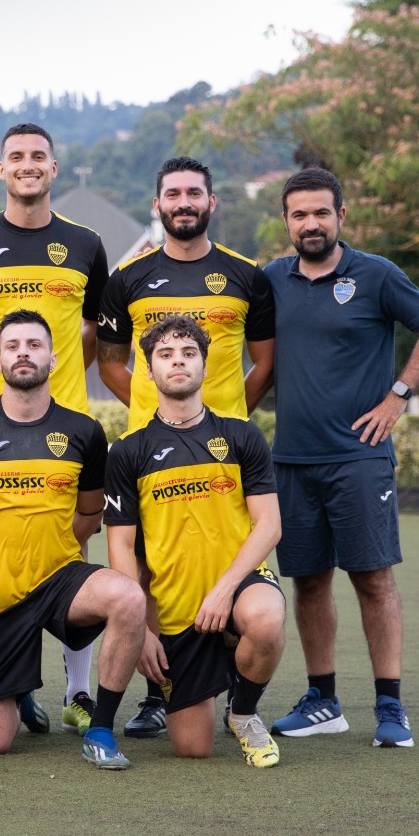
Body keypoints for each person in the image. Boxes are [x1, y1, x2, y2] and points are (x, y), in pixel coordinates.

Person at [262, 167, 419, 749]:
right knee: (309, 581)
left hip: (359, 459)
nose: (311, 224)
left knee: (373, 578)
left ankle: (390, 705)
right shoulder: (270, 280)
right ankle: (323, 701)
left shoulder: (375, 275)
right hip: (292, 460)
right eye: (299, 214)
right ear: (286, 220)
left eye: (321, 212)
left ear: (341, 215)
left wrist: (398, 396)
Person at [95, 155, 276, 739]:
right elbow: (110, 362)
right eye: (172, 194)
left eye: (194, 193)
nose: (184, 203)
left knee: (228, 555)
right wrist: (152, 410)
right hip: (152, 451)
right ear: (157, 205)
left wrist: (231, 418)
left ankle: (235, 680)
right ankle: (160, 692)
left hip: (224, 452)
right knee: (152, 563)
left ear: (211, 202)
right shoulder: (127, 279)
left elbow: (265, 362)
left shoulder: (247, 276)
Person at [0, 123, 110, 734]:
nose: (28, 164)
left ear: (54, 167)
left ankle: (78, 691)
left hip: (63, 423)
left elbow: (94, 334)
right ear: (1, 168)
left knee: (72, 544)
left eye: (39, 156)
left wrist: (52, 382)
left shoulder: (86, 244)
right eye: (16, 156)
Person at [0, 310, 146, 769]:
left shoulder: (83, 430)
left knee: (128, 597)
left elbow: (90, 510)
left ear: (53, 359)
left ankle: (101, 729)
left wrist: (56, 544)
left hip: (60, 580)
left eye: (34, 345)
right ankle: (19, 692)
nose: (23, 353)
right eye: (12, 346)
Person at [104, 316, 285, 766]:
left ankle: (243, 713)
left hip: (237, 585)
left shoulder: (241, 435)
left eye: (188, 354)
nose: (178, 362)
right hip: (176, 608)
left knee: (265, 620)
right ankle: (220, 657)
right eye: (165, 355)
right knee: (192, 748)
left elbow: (269, 525)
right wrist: (140, 630)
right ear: (149, 371)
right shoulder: (128, 450)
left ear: (206, 365)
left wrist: (224, 590)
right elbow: (122, 548)